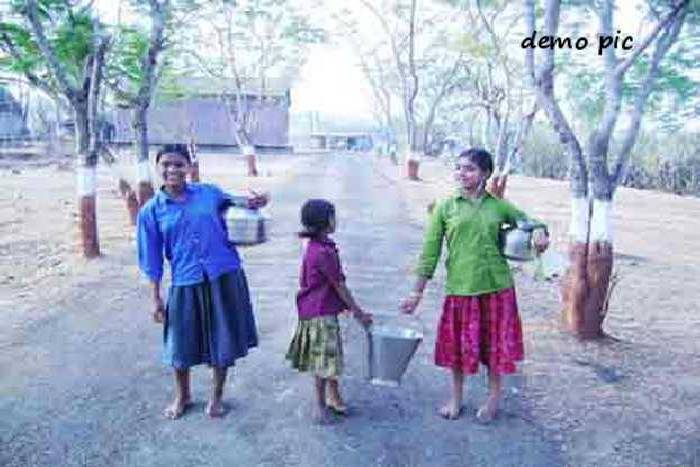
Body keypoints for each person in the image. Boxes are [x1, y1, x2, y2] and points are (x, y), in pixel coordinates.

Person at [400, 148, 549, 423]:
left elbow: (531, 223)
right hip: (461, 290)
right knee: (458, 349)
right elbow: (430, 253)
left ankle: (493, 400)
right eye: (459, 168)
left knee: (495, 348)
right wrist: (416, 292)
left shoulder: (499, 206)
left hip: (497, 289)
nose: (462, 173)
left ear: (485, 174)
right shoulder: (446, 207)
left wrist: (539, 231)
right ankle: (456, 399)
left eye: (469, 169)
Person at [137, 143, 268, 420]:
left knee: (223, 341)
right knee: (179, 344)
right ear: (158, 168)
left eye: (178, 164)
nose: (173, 169)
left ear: (188, 167)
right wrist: (155, 297)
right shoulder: (151, 211)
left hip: (223, 275)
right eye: (166, 164)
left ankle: (216, 398)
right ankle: (182, 396)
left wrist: (258, 201)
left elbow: (240, 203)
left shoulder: (209, 193)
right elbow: (151, 259)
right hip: (186, 280)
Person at [286, 199, 373, 424]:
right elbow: (339, 285)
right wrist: (359, 313)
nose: (336, 220)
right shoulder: (324, 252)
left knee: (328, 356)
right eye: (333, 216)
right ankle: (320, 405)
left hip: (315, 309)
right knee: (323, 362)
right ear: (325, 222)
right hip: (320, 313)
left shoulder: (315, 246)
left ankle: (334, 396)